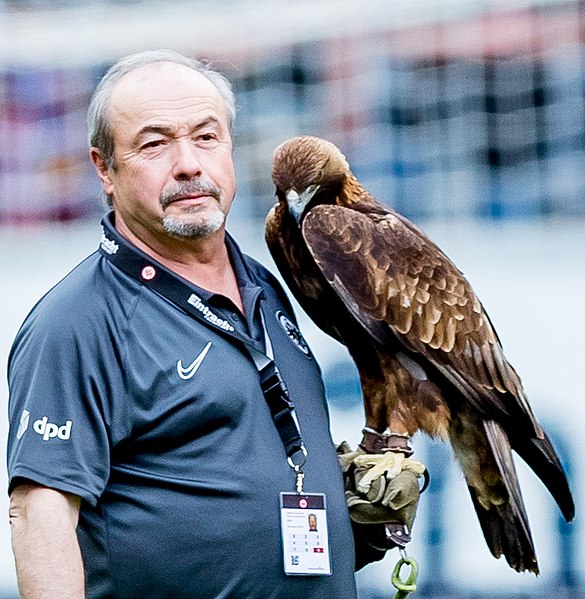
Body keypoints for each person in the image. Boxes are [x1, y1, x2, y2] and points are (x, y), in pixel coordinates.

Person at [6, 50, 394, 599]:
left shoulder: (266, 282)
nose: (188, 163)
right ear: (104, 169)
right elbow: (38, 513)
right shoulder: (76, 322)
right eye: (155, 143)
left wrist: (342, 510)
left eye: (206, 137)